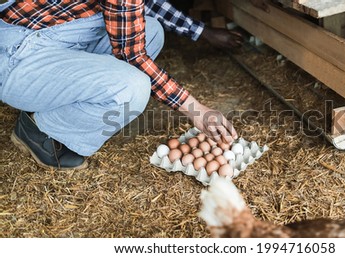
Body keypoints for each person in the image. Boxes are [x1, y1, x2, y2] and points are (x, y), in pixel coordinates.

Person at [0, 0, 242, 170]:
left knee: (151, 30)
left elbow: (147, 6)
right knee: (132, 88)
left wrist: (202, 32)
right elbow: (132, 56)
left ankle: (57, 102)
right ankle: (40, 131)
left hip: (60, 35)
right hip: (18, 54)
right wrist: (196, 109)